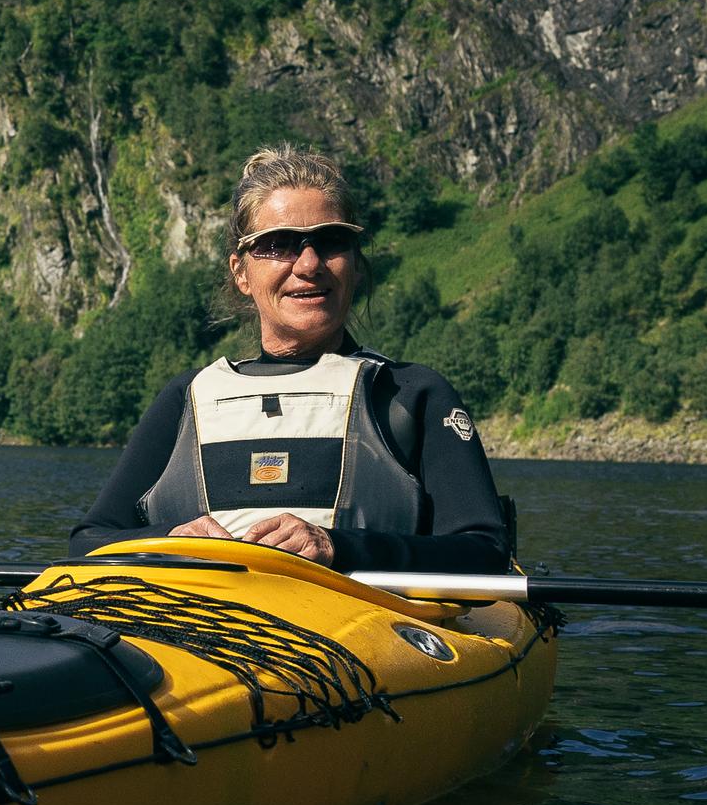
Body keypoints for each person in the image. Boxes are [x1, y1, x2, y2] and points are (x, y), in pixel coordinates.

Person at [68, 145, 514, 571]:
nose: (308, 264)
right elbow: (90, 539)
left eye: (331, 241)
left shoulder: (411, 395)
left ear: (356, 264)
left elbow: (484, 549)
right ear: (241, 272)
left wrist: (337, 546)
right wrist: (174, 539)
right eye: (279, 244)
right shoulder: (185, 398)